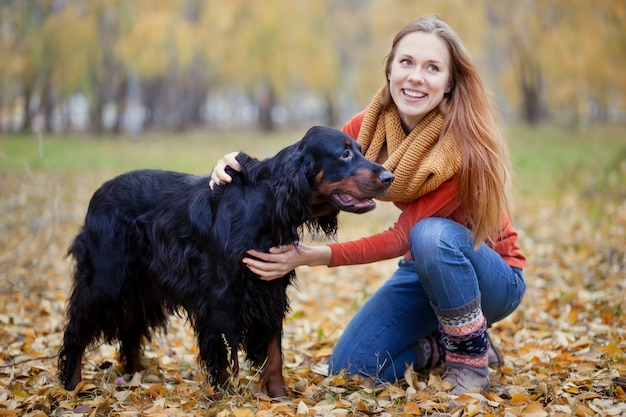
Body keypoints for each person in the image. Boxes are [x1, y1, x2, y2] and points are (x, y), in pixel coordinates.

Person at [210, 15, 526, 395]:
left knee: (431, 234)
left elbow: (403, 237)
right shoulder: (369, 127)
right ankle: (442, 345)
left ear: (448, 84)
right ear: (390, 69)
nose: (415, 77)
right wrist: (240, 165)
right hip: (424, 272)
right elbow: (302, 167)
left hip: (491, 276)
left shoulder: (462, 148)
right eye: (406, 62)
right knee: (353, 367)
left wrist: (311, 254)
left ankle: (468, 361)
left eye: (432, 68)